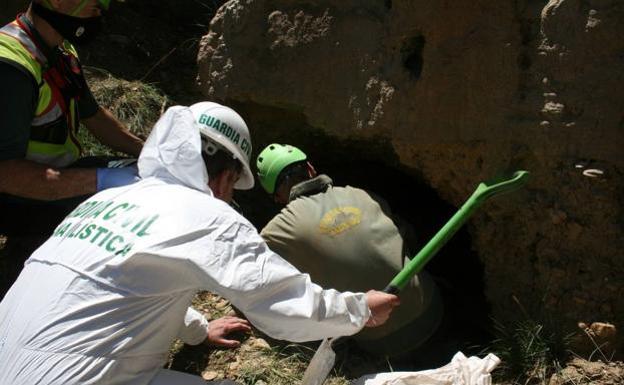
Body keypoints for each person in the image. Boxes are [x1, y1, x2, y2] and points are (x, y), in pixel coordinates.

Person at [0, 102, 400, 385]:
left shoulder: (106, 200)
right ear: (226, 177)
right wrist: (360, 310)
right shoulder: (208, 217)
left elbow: (134, 289)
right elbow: (283, 307)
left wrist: (197, 330)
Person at [256, 144, 443, 355]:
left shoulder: (277, 231)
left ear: (277, 198)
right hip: (430, 308)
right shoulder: (363, 194)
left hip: (381, 341)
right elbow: (407, 237)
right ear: (310, 168)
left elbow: (256, 279)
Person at [0, 0, 144, 238]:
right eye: (95, 2)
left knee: (143, 176)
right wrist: (99, 180)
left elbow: (94, 116)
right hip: (18, 200)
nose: (101, 9)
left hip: (58, 175)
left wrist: (147, 151)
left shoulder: (62, 51)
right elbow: (5, 174)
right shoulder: (11, 69)